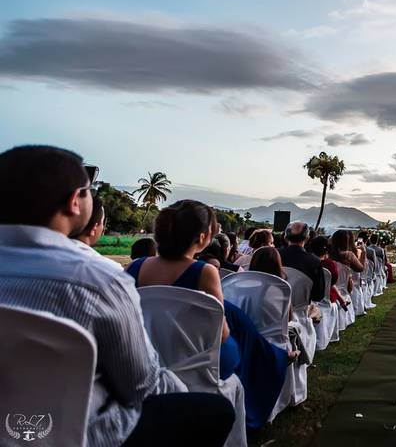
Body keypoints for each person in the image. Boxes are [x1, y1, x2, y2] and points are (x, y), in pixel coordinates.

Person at [0, 146, 235, 447]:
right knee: (215, 411)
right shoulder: (99, 281)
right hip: (83, 433)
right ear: (74, 202)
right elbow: (140, 385)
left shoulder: (117, 275)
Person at [128, 199, 293, 429]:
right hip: (195, 364)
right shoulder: (204, 272)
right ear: (202, 237)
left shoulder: (133, 268)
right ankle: (267, 377)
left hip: (146, 356)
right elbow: (221, 331)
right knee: (241, 341)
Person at [278, 221, 326, 302]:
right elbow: (318, 296)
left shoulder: (274, 256)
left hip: (274, 307)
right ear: (307, 238)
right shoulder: (314, 262)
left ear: (285, 238)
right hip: (300, 310)